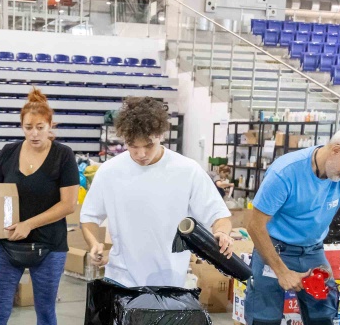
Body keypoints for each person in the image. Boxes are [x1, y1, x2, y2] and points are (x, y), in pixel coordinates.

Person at [245, 126, 340, 325]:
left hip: (312, 251)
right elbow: (254, 225)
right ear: (335, 150)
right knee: (264, 321)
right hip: (273, 249)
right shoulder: (285, 173)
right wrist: (281, 271)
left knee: (323, 318)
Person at [0, 89, 78, 325]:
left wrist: (29, 224)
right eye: (28, 127)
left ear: (51, 126)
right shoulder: (8, 152)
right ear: (22, 127)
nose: (34, 133)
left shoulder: (63, 156)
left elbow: (68, 204)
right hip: (6, 247)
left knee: (46, 312)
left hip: (49, 247)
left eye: (40, 127)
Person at [79, 97, 233, 288]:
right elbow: (89, 217)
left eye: (149, 145)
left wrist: (222, 233)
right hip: (121, 281)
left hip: (172, 282)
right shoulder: (109, 172)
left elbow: (220, 216)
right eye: (133, 146)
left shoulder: (187, 170)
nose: (141, 154)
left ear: (161, 135)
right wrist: (94, 243)